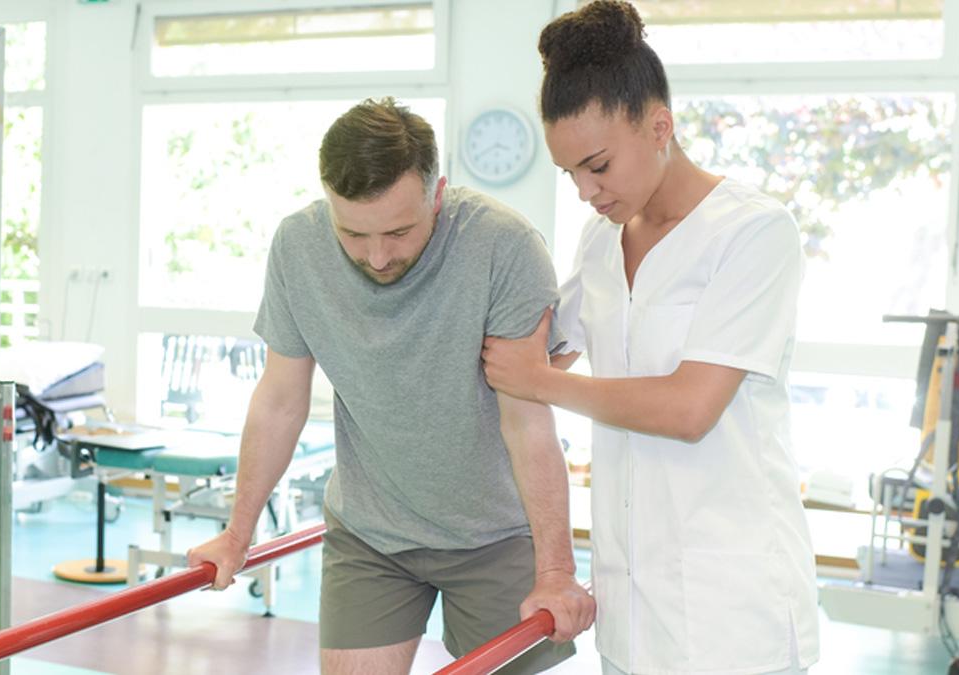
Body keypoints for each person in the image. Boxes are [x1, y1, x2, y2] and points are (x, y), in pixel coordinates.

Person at [188, 97, 594, 674]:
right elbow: (280, 400)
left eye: (400, 231)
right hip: (370, 533)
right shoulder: (297, 246)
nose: (378, 257)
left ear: (438, 193)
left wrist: (556, 572)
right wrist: (237, 533)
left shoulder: (504, 246)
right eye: (353, 234)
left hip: (496, 532)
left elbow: (528, 420)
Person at [479, 3, 820, 674]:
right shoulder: (601, 243)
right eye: (569, 172)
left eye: (597, 164)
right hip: (631, 610)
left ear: (659, 125)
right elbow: (540, 347)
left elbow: (688, 409)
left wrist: (542, 383)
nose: (585, 190)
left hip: (733, 612)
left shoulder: (753, 232)